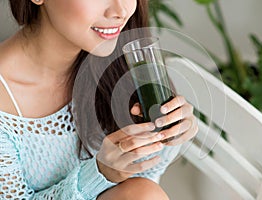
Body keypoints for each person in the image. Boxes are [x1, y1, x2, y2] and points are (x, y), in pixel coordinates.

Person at [0, 0, 198, 199]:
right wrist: (99, 174)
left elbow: (144, 181)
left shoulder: (116, 66)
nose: (120, 11)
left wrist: (169, 133)